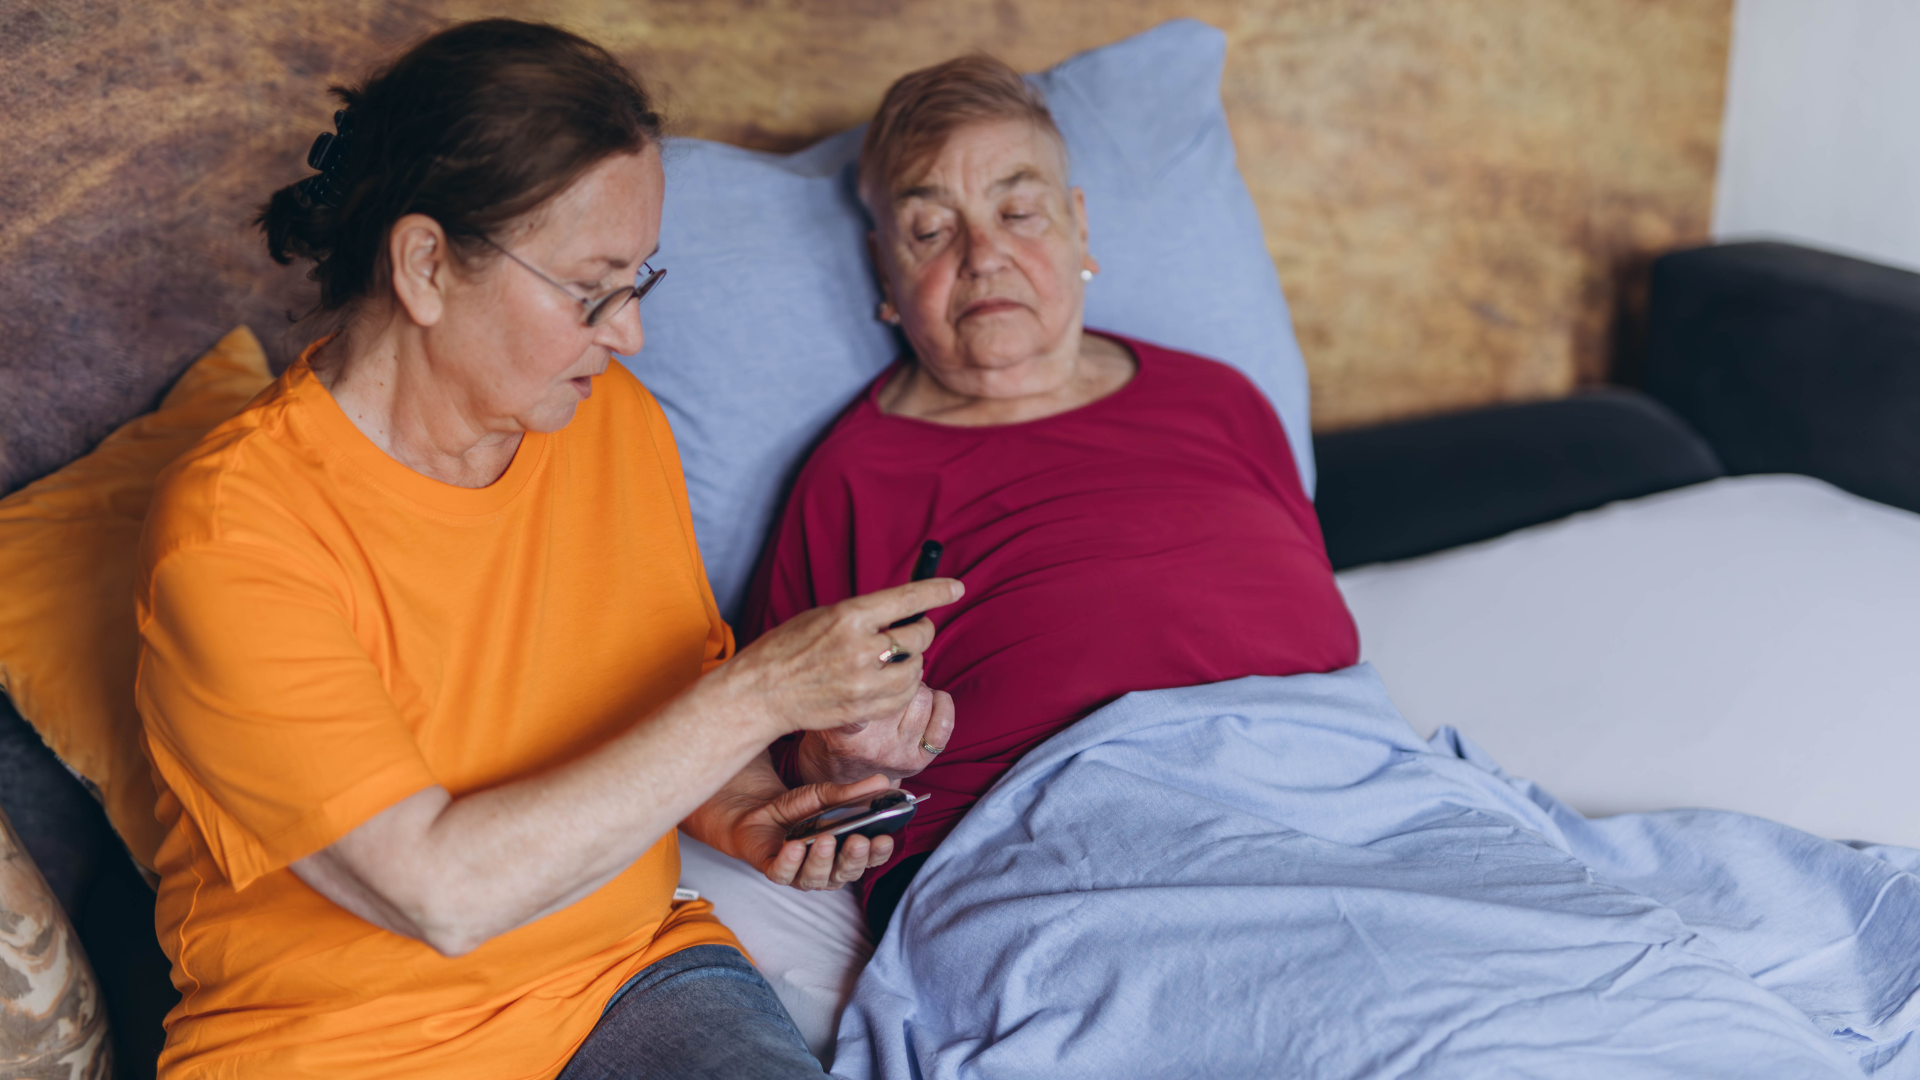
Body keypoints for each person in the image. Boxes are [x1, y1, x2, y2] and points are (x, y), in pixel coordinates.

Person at [134, 20, 959, 1080]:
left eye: (639, 284)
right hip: (341, 1047)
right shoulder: (233, 532)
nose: (629, 335)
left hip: (623, 982)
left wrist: (767, 813)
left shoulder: (612, 425)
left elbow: (664, 706)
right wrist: (763, 693)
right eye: (591, 290)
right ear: (426, 266)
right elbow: (441, 893)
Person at [744, 55, 1360, 934]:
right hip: (1062, 856)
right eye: (930, 230)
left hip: (1346, 792)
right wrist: (841, 753)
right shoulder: (856, 476)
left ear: (1077, 228)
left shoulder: (1220, 399)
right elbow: (790, 756)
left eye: (1019, 211)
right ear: (883, 272)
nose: (983, 256)